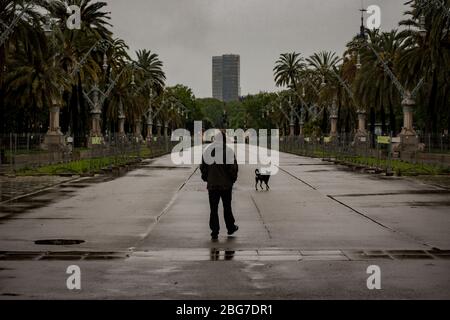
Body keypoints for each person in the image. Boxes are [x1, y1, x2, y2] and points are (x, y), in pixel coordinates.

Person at [200, 131, 239, 240]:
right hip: (226, 185)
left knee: (213, 209)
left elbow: (203, 167)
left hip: (212, 185)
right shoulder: (229, 151)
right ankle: (230, 227)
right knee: (227, 207)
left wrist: (207, 178)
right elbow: (233, 168)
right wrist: (232, 180)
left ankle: (214, 230)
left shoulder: (207, 151)